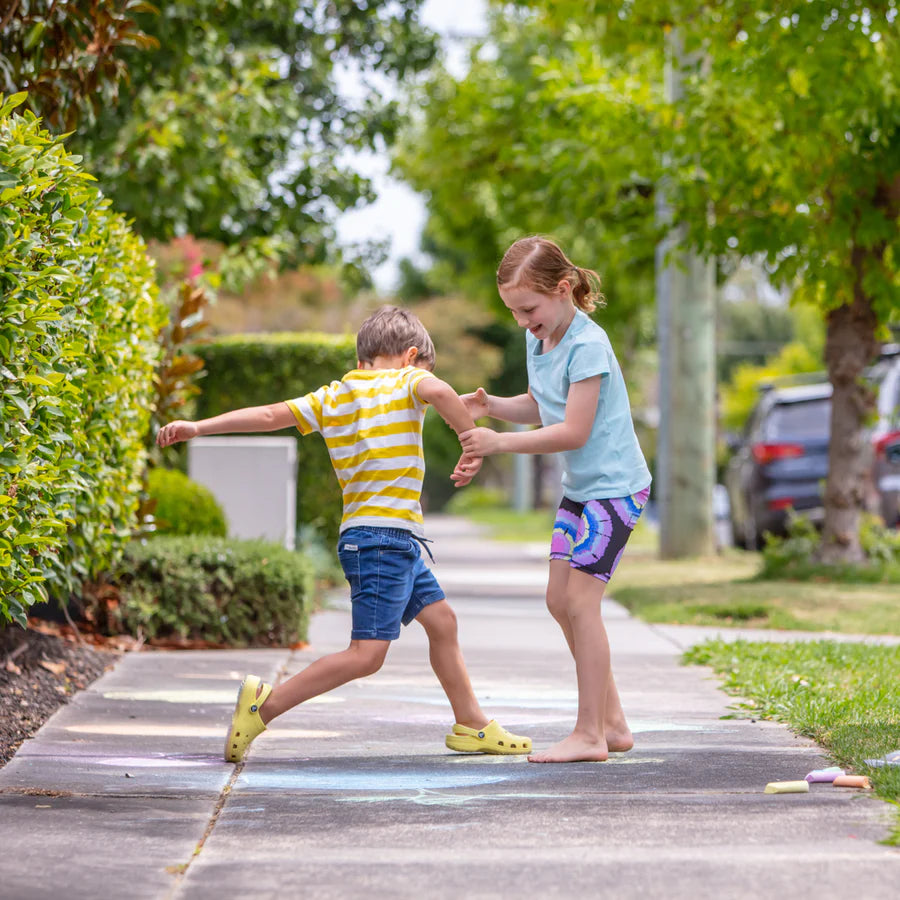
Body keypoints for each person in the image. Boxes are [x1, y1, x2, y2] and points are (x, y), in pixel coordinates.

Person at [157, 305, 531, 763]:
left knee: (442, 622)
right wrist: (469, 437)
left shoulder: (335, 394)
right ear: (411, 355)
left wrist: (200, 426)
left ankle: (471, 724)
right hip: (383, 541)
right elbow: (436, 389)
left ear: (362, 358)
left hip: (386, 540)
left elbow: (272, 414)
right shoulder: (409, 380)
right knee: (366, 655)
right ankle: (264, 707)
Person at [456, 237, 651, 764]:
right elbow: (542, 407)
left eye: (528, 309)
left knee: (582, 604)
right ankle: (613, 724)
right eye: (514, 312)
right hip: (581, 492)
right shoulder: (539, 339)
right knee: (557, 600)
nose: (522, 321)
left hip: (615, 489)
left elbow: (573, 431)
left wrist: (498, 444)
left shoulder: (588, 345)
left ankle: (589, 735)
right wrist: (490, 407)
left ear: (563, 290)